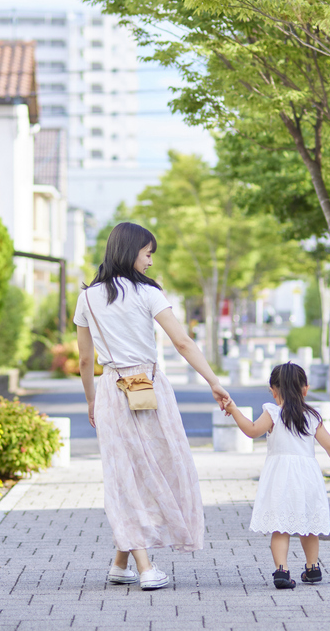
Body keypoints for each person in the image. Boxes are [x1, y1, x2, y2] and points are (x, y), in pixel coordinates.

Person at [75, 222, 231, 591]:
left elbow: (85, 360)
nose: (149, 260)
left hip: (112, 389)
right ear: (131, 251)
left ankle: (120, 564)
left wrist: (91, 400)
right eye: (147, 253)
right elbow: (182, 341)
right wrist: (214, 381)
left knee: (125, 473)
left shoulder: (88, 297)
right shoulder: (148, 293)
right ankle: (146, 569)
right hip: (147, 387)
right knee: (157, 469)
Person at [221, 362, 330, 589]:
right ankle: (312, 568)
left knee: (281, 525)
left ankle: (282, 571)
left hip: (280, 476)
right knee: (308, 523)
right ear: (305, 389)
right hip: (307, 477)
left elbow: (251, 431)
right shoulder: (311, 416)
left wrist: (233, 410)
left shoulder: (273, 413)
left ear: (273, 389)